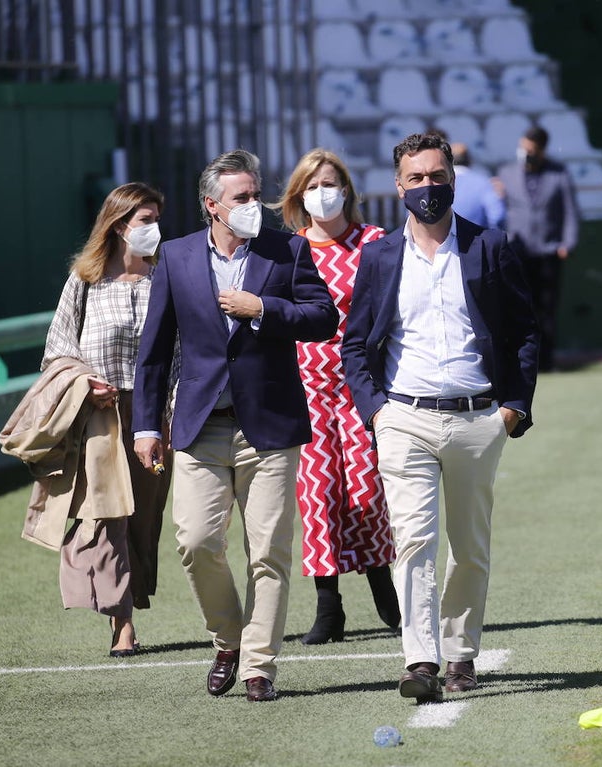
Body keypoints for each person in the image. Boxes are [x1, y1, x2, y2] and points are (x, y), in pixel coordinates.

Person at [131, 149, 339, 701]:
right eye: (241, 198)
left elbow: (323, 317)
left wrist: (264, 308)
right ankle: (229, 638)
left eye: (254, 195)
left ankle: (258, 667)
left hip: (268, 426)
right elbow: (152, 353)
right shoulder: (175, 258)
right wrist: (145, 426)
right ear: (212, 206)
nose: (253, 205)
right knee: (196, 541)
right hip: (200, 426)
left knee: (268, 550)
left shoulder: (287, 249)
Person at [342, 133, 539, 703]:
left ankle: (460, 654)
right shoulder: (379, 256)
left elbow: (524, 330)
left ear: (453, 177)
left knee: (470, 546)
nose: (427, 187)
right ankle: (420, 659)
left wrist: (514, 405)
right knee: (414, 542)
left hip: (479, 418)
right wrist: (375, 411)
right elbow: (356, 346)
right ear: (398, 186)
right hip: (403, 417)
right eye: (416, 178)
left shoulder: (490, 246)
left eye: (436, 176)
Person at [4, 182, 170, 658]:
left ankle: (131, 596)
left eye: (157, 218)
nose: (154, 229)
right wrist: (87, 382)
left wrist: (169, 415)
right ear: (119, 226)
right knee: (109, 514)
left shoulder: (168, 277)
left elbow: (180, 349)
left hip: (155, 413)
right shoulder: (86, 278)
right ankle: (122, 624)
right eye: (145, 220)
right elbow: (57, 348)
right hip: (100, 414)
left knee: (144, 515)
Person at [276, 149, 401, 645]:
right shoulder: (288, 251)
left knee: (368, 493)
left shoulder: (375, 244)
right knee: (319, 497)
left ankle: (385, 590)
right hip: (307, 389)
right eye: (311, 186)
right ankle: (329, 608)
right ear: (298, 196)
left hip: (363, 387)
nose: (321, 194)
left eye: (329, 184)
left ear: (346, 189)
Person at [495, 126, 579, 372]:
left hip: (548, 251)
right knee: (520, 308)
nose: (525, 154)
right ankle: (523, 362)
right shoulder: (506, 173)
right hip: (516, 250)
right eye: (523, 148)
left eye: (530, 150)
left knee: (547, 308)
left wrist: (567, 243)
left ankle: (547, 361)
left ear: (542, 150)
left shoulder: (558, 174)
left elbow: (570, 211)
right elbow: (499, 210)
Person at [450, 142, 505, 229]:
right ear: (470, 160)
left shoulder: (439, 183)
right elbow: (497, 216)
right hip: (476, 239)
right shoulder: (483, 183)